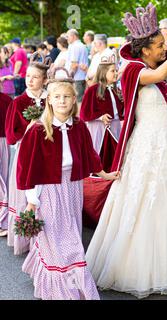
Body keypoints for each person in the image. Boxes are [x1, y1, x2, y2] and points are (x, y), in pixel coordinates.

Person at [85, 3, 167, 298]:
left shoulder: (157, 74)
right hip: (146, 144)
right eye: (158, 46)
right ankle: (138, 266)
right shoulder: (133, 71)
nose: (163, 49)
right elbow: (164, 70)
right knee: (144, 200)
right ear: (144, 51)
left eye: (163, 45)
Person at [17, 78, 119, 300]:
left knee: (70, 233)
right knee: (64, 240)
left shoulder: (79, 126)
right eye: (57, 97)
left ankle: (67, 281)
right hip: (48, 190)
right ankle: (65, 289)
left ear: (74, 100)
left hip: (72, 188)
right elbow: (26, 167)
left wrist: (104, 174)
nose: (62, 101)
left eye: (66, 97)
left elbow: (90, 154)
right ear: (49, 101)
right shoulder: (37, 130)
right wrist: (32, 200)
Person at [5, 54, 51, 254]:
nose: (30, 80)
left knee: (45, 195)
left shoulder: (51, 99)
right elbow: (10, 134)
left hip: (49, 153)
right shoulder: (19, 102)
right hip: (26, 152)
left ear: (45, 80)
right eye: (28, 76)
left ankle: (46, 238)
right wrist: (28, 129)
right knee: (27, 193)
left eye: (35, 77)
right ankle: (25, 237)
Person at [80, 56, 124, 171]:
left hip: (115, 128)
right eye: (112, 71)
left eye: (116, 70)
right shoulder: (93, 90)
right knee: (101, 153)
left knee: (115, 155)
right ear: (104, 72)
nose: (116, 73)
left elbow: (119, 110)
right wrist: (100, 117)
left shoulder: (115, 90)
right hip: (100, 128)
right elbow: (85, 112)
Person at [0, 92, 12, 237]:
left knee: (3, 177)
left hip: (3, 139)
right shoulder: (7, 99)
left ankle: (3, 218)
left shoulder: (6, 100)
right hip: (3, 140)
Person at [65, 29, 89, 103]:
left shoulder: (75, 46)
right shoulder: (81, 45)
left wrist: (69, 77)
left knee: (77, 101)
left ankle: (78, 115)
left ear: (73, 36)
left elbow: (74, 64)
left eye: (68, 36)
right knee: (79, 99)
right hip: (80, 76)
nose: (67, 39)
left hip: (76, 78)